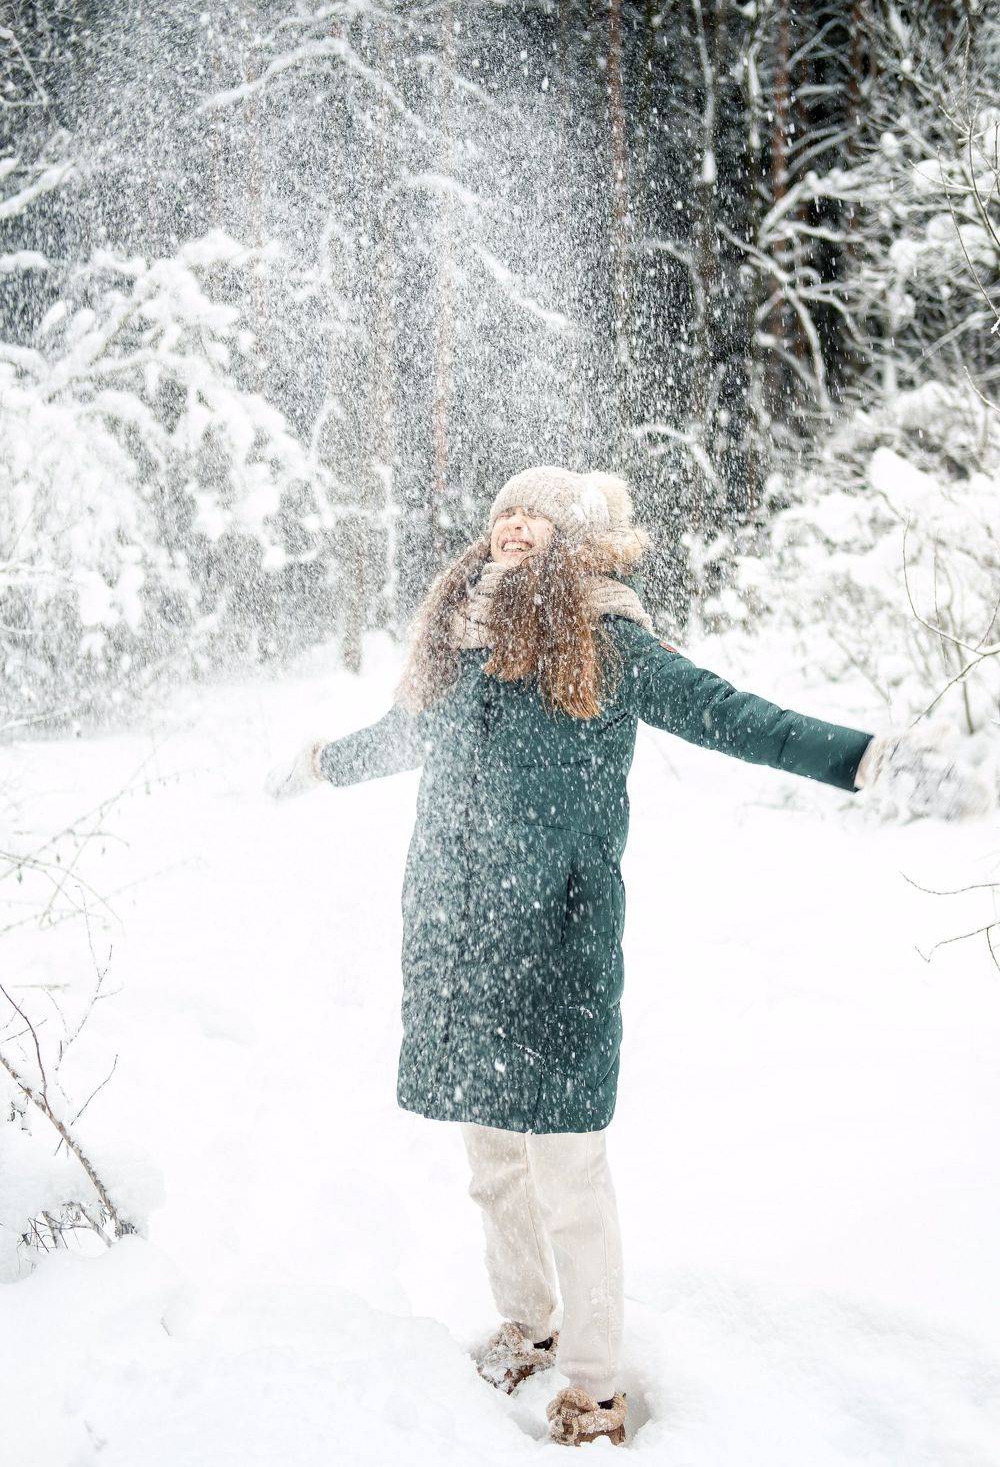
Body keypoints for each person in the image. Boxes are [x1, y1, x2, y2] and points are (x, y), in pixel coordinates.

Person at [267, 467, 989, 1448]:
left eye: (537, 515)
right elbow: (400, 738)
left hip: (557, 949)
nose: (515, 525)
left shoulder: (609, 644)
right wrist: (317, 764)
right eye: (505, 510)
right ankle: (525, 1327)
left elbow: (735, 715)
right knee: (492, 1165)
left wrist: (864, 758)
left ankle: (595, 1385)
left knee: (567, 1174)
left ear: (570, 540)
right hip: (458, 944)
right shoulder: (458, 647)